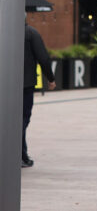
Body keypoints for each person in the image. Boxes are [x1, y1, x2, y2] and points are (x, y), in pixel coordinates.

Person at [23, 17, 56, 168]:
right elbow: (43, 58)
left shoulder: (5, 32)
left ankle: (20, 154)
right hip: (26, 85)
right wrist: (51, 78)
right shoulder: (31, 33)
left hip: (6, 84)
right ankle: (21, 156)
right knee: (23, 119)